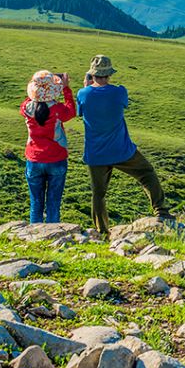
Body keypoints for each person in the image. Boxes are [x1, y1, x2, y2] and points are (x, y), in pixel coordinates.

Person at [77, 54, 171, 235]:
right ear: (109, 74)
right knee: (147, 173)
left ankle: (102, 231)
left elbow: (81, 111)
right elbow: (122, 103)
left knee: (98, 193)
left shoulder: (83, 94)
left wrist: (86, 87)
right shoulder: (119, 92)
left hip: (96, 154)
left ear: (92, 75)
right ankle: (161, 211)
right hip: (122, 150)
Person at [20, 69, 75, 224]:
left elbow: (29, 99)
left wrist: (37, 86)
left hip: (34, 159)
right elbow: (71, 110)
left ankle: (35, 233)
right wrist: (66, 88)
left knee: (36, 203)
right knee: (53, 203)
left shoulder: (26, 108)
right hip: (56, 158)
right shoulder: (58, 109)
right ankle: (53, 231)